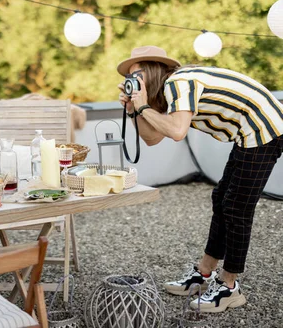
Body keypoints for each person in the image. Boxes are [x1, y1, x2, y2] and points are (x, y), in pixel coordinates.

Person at [117, 45, 283, 313]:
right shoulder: (170, 91)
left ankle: (229, 288)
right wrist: (133, 110)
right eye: (129, 78)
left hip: (265, 127)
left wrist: (143, 105)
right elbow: (152, 138)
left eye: (137, 75)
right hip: (249, 132)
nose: (132, 81)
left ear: (152, 71)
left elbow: (177, 131)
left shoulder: (179, 83)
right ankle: (204, 274)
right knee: (221, 198)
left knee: (236, 208)